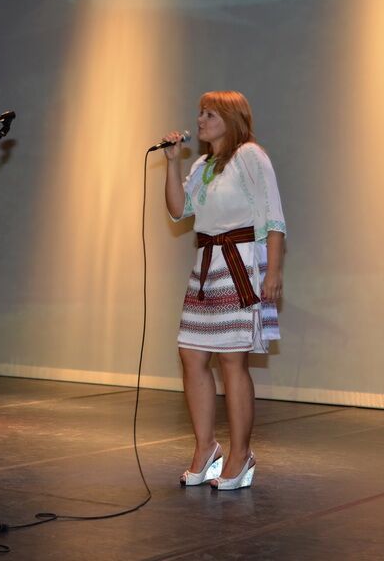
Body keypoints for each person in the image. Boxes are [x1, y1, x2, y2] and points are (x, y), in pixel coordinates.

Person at [162, 91, 286, 490]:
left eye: (209, 114)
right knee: (191, 354)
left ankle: (240, 454)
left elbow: (275, 219)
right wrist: (172, 163)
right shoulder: (202, 165)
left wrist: (273, 272)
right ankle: (206, 448)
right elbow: (178, 210)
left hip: (239, 265)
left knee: (233, 360)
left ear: (231, 120)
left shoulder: (250, 156)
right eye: (200, 113)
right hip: (206, 267)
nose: (200, 120)